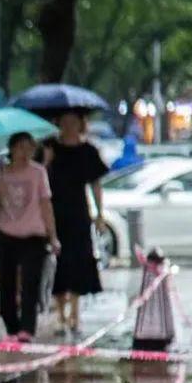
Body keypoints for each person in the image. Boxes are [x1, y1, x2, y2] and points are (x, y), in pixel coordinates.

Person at [0, 133, 60, 342]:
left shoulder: (38, 172)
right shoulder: (0, 173)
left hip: (34, 235)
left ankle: (27, 329)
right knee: (6, 284)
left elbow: (46, 204)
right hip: (6, 234)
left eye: (29, 148)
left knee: (30, 284)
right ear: (12, 149)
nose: (25, 153)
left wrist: (53, 236)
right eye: (21, 148)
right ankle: (11, 328)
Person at [44, 111, 109, 338]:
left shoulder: (88, 151)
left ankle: (75, 313)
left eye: (73, 122)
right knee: (58, 263)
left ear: (80, 124)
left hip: (79, 213)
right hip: (53, 212)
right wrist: (47, 161)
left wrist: (99, 215)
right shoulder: (49, 148)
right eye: (64, 121)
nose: (68, 126)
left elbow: (96, 185)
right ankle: (60, 314)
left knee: (79, 261)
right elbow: (39, 177)